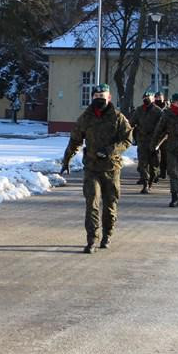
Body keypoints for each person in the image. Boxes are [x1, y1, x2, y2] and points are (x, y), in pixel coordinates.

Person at [61, 84, 133, 253]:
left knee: (110, 204)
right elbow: (75, 140)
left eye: (103, 96)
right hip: (92, 167)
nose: (99, 99)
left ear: (109, 98)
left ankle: (107, 234)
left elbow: (127, 140)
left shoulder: (118, 117)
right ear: (92, 97)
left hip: (111, 168)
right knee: (92, 203)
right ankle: (92, 239)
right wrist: (66, 159)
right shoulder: (85, 118)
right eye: (96, 96)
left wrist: (110, 150)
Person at [129, 91, 163, 193]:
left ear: (153, 99)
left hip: (154, 141)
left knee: (154, 165)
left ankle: (151, 180)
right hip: (142, 140)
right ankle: (145, 184)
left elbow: (163, 126)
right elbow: (132, 123)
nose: (146, 99)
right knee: (142, 164)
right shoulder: (139, 110)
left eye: (149, 97)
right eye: (145, 97)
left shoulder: (158, 111)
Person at [153, 91, 169, 180]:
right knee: (155, 155)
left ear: (163, 98)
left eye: (160, 97)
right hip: (155, 135)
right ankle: (156, 173)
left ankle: (163, 171)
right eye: (157, 97)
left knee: (165, 155)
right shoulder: (152, 108)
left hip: (165, 135)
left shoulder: (168, 109)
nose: (158, 99)